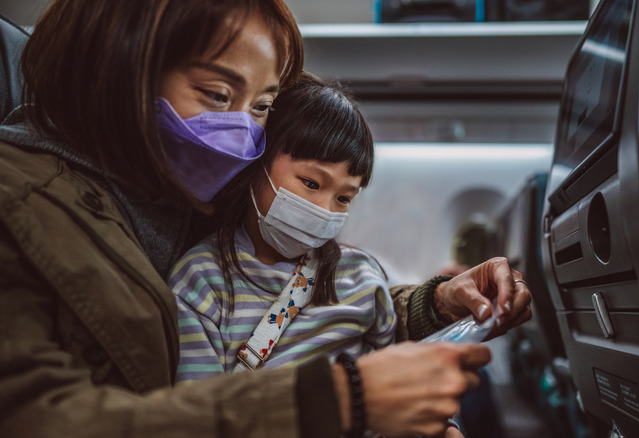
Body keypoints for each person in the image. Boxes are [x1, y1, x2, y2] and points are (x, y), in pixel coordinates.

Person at [0, 1, 533, 437]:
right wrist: (341, 403)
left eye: (260, 108)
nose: (240, 138)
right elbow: (37, 417)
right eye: (216, 94)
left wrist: (439, 302)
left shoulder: (178, 194)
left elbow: (315, 301)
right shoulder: (22, 204)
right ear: (117, 67)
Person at [170, 72, 397, 379]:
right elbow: (203, 414)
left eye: (343, 198)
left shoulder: (361, 277)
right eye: (311, 182)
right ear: (259, 161)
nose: (324, 210)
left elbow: (397, 377)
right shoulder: (201, 280)